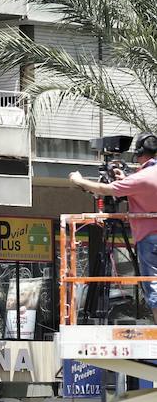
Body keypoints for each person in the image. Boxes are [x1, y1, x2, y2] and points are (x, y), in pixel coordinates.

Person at [69, 132, 157, 322]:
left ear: (139, 151)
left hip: (149, 239)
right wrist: (125, 179)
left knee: (153, 288)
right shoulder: (146, 176)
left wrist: (79, 180)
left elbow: (104, 189)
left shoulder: (141, 178)